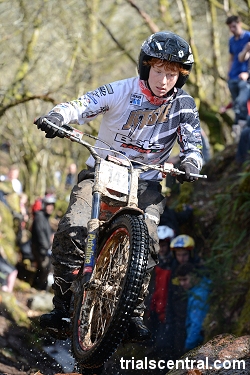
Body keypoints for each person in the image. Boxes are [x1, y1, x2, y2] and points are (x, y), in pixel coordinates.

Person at [34, 31, 204, 342]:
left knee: (150, 241)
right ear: (145, 67)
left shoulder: (183, 104)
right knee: (72, 229)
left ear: (179, 76)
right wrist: (57, 116)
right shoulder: (121, 90)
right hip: (101, 173)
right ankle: (62, 307)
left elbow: (193, 143)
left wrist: (189, 165)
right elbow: (81, 105)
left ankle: (132, 313)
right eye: (158, 71)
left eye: (171, 74)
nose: (164, 80)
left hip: (147, 183)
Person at [176, 262, 211, 351]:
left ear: (194, 276)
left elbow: (196, 323)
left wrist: (189, 346)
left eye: (185, 279)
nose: (182, 283)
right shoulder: (196, 290)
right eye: (180, 280)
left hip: (198, 343)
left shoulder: (200, 295)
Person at [226, 15, 250, 128]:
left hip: (245, 75)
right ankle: (239, 128)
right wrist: (228, 73)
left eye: (234, 26)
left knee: (242, 101)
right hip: (233, 76)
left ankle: (245, 125)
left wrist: (248, 74)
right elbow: (231, 58)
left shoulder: (248, 37)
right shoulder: (231, 40)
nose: (232, 29)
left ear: (240, 24)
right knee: (236, 103)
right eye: (230, 27)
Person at [31, 194, 56, 290]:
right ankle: (39, 288)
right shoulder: (39, 217)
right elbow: (40, 235)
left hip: (44, 249)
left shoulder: (45, 218)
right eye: (48, 205)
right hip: (40, 250)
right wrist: (46, 248)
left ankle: (36, 286)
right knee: (45, 268)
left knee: (43, 269)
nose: (50, 208)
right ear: (44, 205)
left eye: (52, 205)